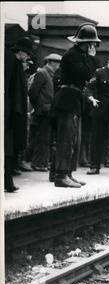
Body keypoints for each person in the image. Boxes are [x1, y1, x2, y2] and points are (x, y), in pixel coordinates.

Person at [52, 23, 99, 188]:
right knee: (66, 139)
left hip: (74, 99)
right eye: (92, 43)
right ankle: (60, 175)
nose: (93, 46)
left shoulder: (79, 55)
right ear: (85, 43)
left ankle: (68, 173)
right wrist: (93, 58)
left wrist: (90, 58)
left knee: (73, 140)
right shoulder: (72, 55)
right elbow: (87, 74)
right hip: (68, 99)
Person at [4, 37, 33, 192]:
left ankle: (7, 182)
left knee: (8, 148)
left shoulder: (12, 62)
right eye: (27, 54)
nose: (28, 57)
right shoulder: (11, 62)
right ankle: (7, 183)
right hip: (9, 113)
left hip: (10, 113)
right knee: (7, 148)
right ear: (21, 52)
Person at [28, 53, 62, 172]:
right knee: (42, 138)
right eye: (57, 63)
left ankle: (41, 162)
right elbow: (32, 92)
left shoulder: (49, 74)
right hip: (43, 111)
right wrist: (38, 107)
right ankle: (38, 163)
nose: (58, 65)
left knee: (45, 138)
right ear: (51, 62)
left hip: (48, 111)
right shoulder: (42, 73)